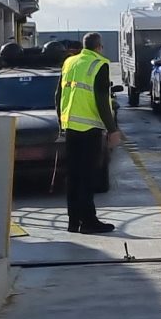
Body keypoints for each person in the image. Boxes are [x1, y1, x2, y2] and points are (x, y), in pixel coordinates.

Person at [58, 32, 119, 235]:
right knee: (87, 177)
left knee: (74, 176)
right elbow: (102, 100)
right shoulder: (99, 64)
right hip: (90, 128)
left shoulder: (69, 63)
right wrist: (112, 129)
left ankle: (73, 221)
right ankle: (89, 221)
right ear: (99, 47)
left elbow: (58, 94)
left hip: (71, 127)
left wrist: (61, 122)